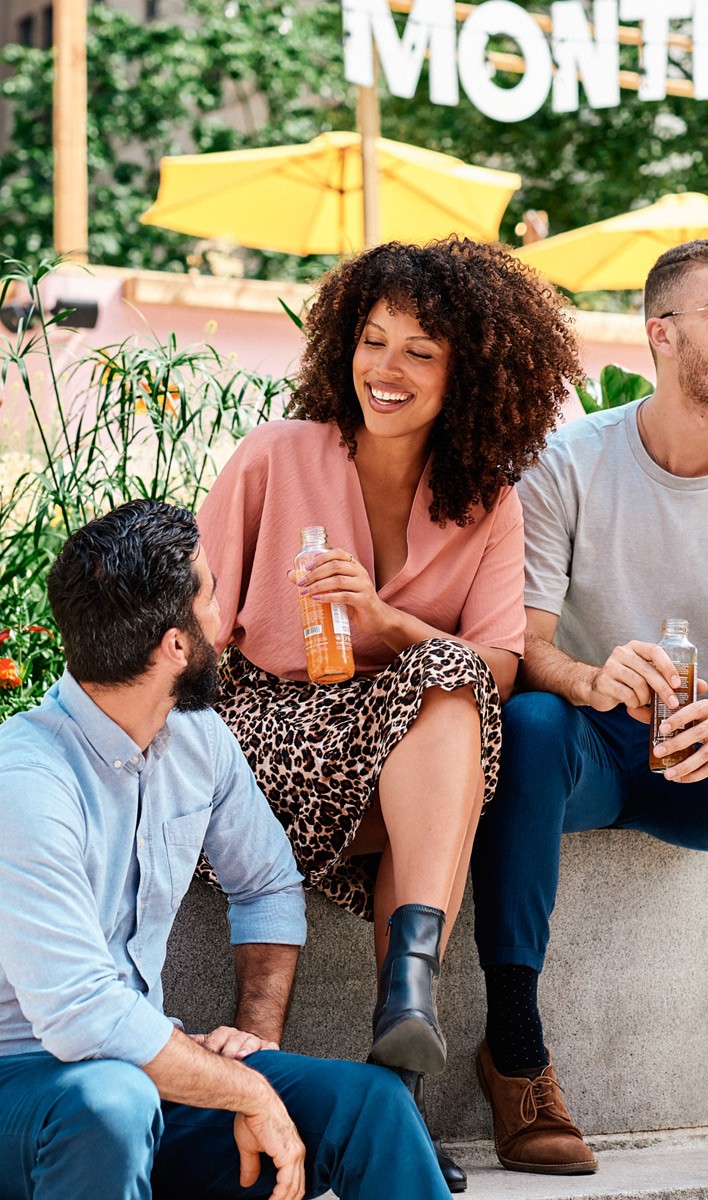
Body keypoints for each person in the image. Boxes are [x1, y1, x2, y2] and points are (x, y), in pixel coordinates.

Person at [467, 238, 708, 1196]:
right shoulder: (568, 464)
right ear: (661, 333)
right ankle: (516, 1058)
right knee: (525, 727)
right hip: (593, 744)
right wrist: (593, 677)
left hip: (705, 755)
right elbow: (526, 648)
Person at [0, 501, 448, 1200]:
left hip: (144, 1082)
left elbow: (266, 885)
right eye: (213, 595)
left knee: (372, 1104)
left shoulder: (199, 740)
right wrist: (245, 1095)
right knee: (110, 1104)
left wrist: (254, 1045)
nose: (227, 616)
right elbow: (82, 1016)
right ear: (176, 646)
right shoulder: (25, 779)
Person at [197, 238, 581, 1189]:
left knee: (451, 684)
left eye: (420, 350)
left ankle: (404, 1017)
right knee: (442, 698)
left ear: (472, 371)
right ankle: (398, 1075)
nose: (387, 369)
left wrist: (384, 622)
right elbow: (198, 623)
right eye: (373, 342)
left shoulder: (487, 501)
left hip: (397, 766)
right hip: (264, 735)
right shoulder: (276, 455)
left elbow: (496, 662)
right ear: (343, 347)